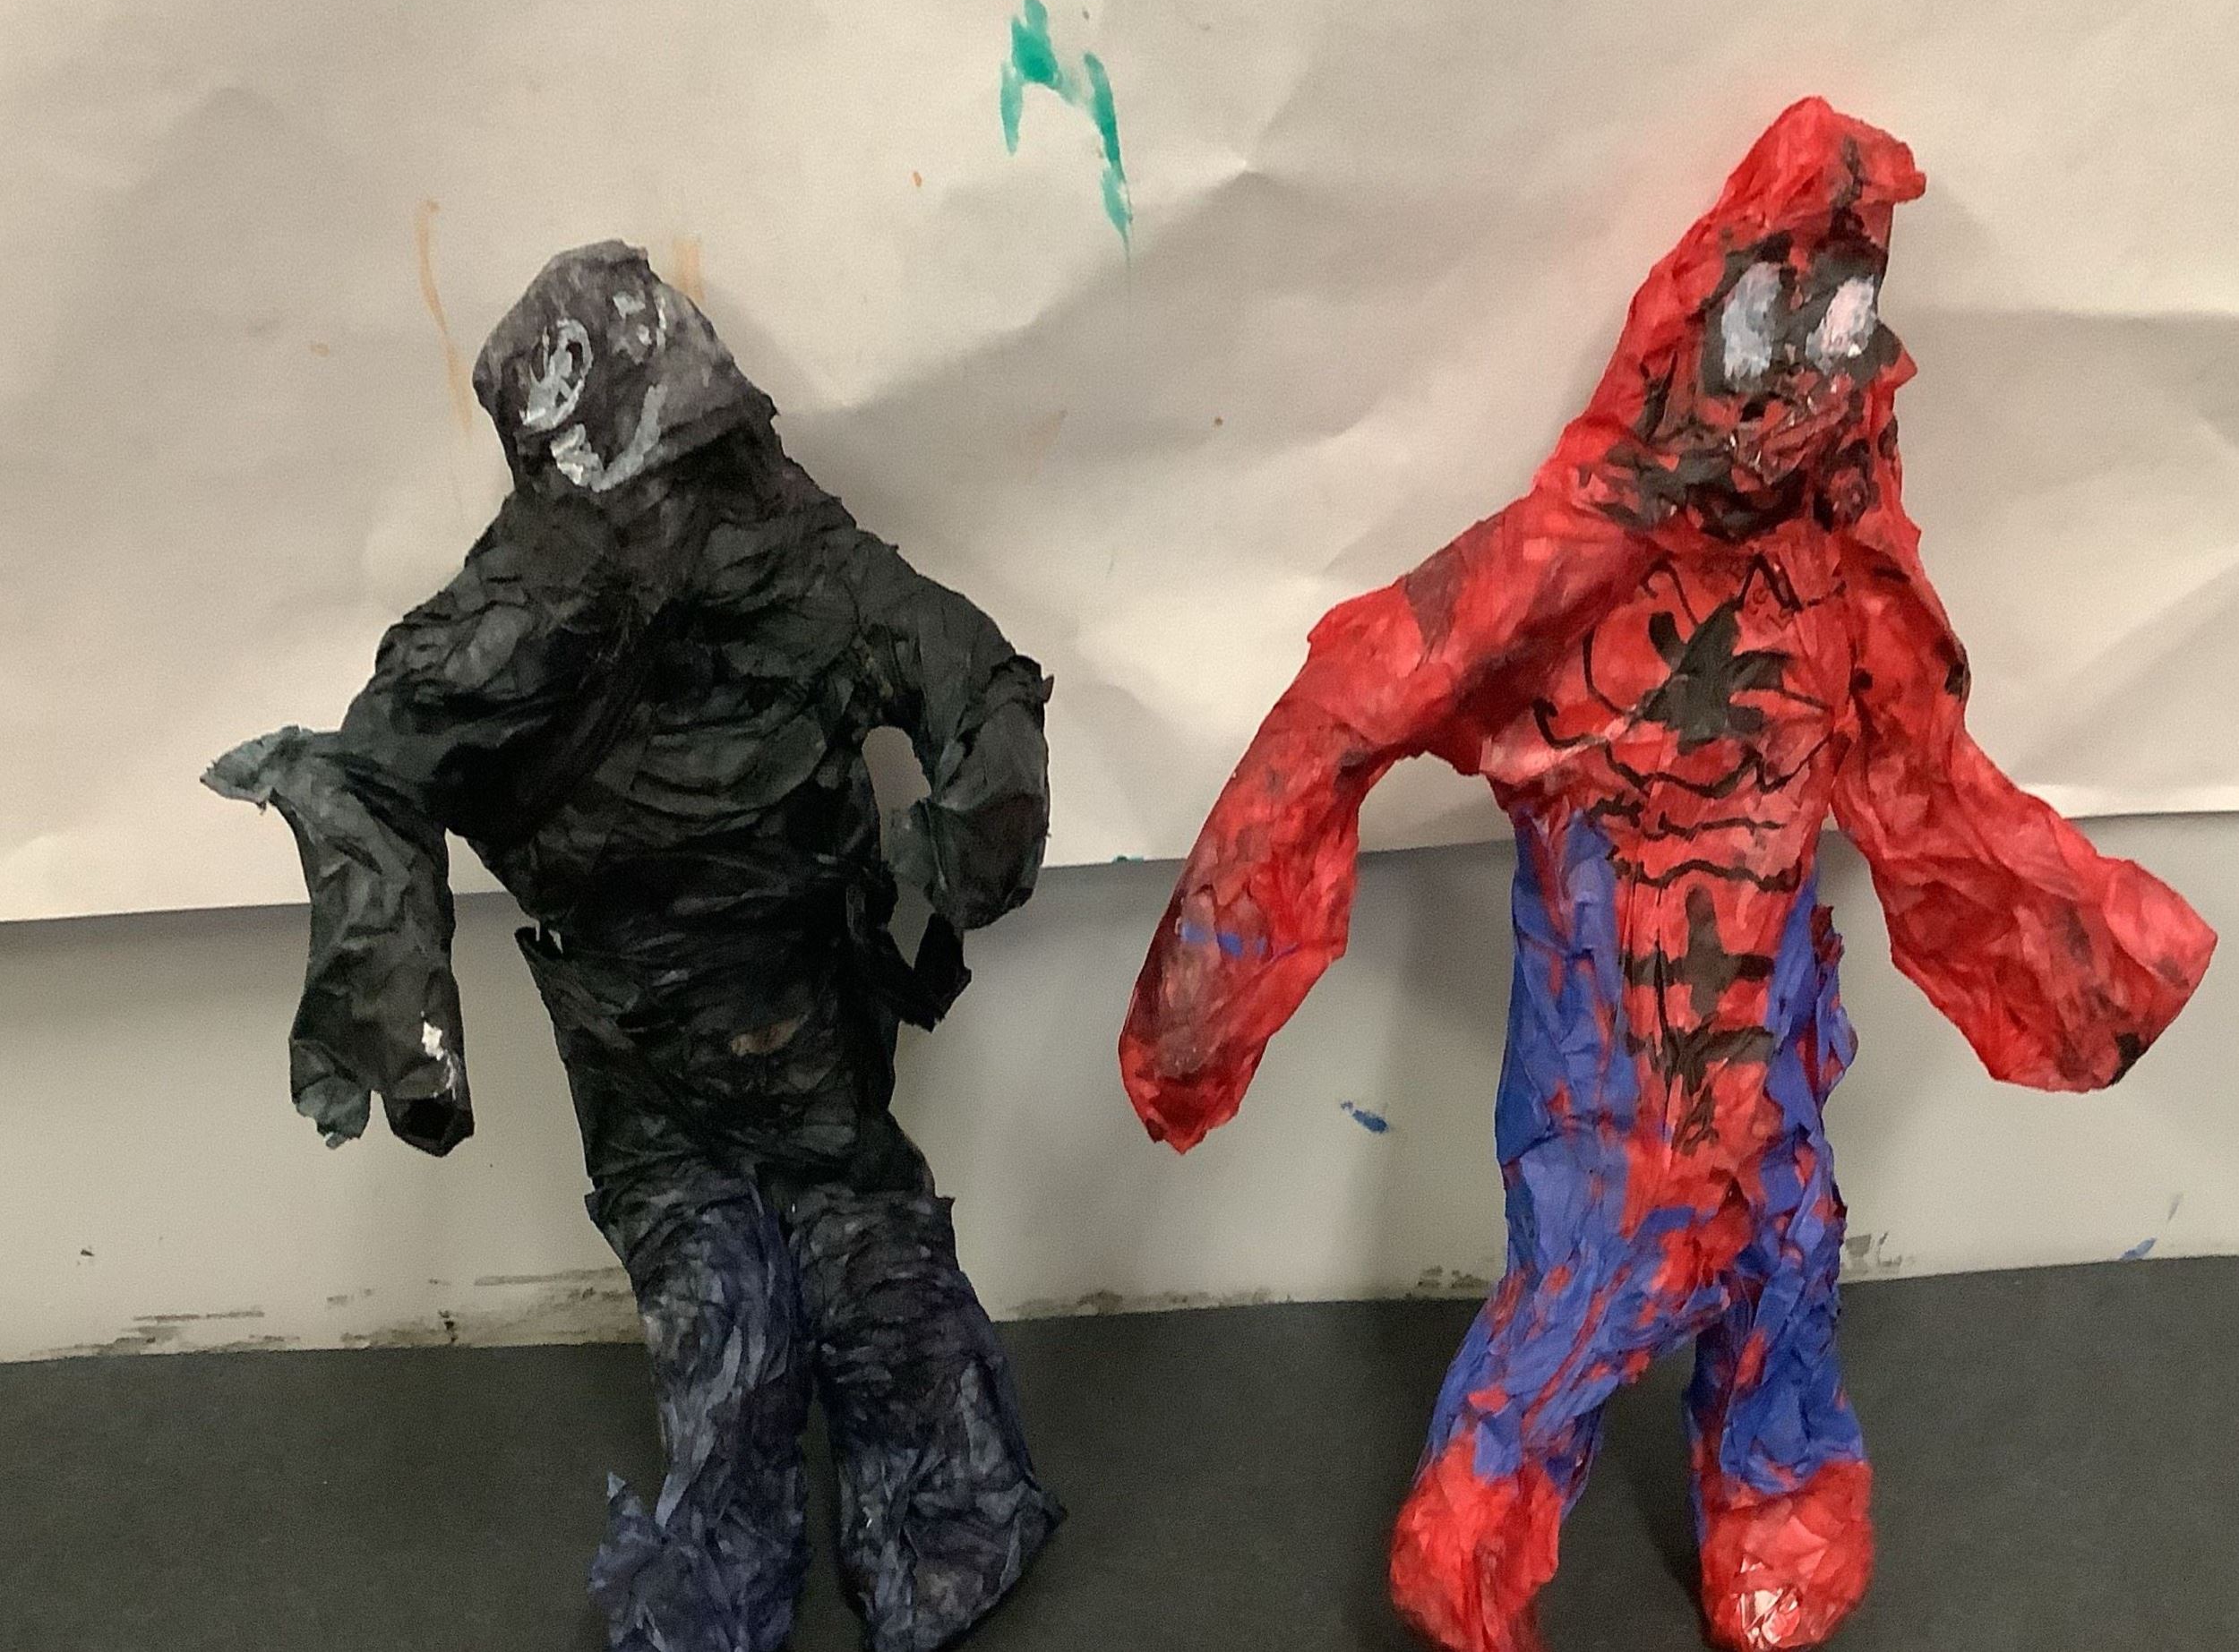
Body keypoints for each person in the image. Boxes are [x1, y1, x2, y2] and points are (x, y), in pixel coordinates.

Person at [1119, 99, 2215, 1652]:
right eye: (1773, 318)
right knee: (1589, 1281)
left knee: (1787, 1254)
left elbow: (1925, 773)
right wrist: (1211, 989)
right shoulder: (1555, 564)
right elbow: (1342, 713)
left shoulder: (1845, 572)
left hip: (1773, 1029)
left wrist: (2077, 941)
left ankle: (1770, 1484)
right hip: (1605, 1045)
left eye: (1842, 322)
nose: (1800, 383)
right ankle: (1479, 1525)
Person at [210, 242, 1060, 1652]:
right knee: (720, 1316)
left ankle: (939, 1534)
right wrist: (399, 988)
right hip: (639, 1052)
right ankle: (749, 1567)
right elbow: (364, 774)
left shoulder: (799, 556)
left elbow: (970, 671)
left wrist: (976, 814)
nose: (676, 511)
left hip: (808, 1016)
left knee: (873, 1268)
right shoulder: (519, 611)